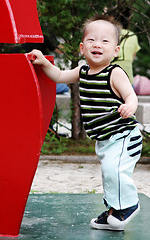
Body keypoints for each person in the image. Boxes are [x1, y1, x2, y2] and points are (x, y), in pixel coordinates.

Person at [29, 15, 142, 231]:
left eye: (105, 41)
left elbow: (131, 95)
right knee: (108, 176)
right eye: (91, 40)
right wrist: (44, 62)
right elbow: (60, 76)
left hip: (124, 135)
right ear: (82, 47)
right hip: (105, 139)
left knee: (113, 171)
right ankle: (112, 213)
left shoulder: (114, 73)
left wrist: (130, 105)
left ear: (116, 51)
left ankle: (128, 205)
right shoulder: (83, 71)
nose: (97, 44)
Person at [110, 7, 141, 85]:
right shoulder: (133, 36)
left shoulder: (109, 34)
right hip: (128, 81)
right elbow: (132, 58)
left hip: (110, 80)